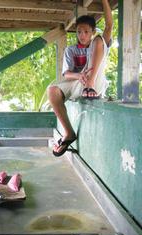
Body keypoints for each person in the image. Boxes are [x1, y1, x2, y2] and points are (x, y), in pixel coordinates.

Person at [47, 0, 113, 157]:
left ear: (91, 32)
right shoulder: (71, 50)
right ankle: (69, 133)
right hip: (78, 83)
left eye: (86, 32)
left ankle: (90, 84)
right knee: (52, 90)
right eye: (79, 32)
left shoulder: (97, 43)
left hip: (94, 82)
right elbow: (66, 74)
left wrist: (104, 1)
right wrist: (79, 75)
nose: (82, 35)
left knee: (99, 41)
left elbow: (109, 25)